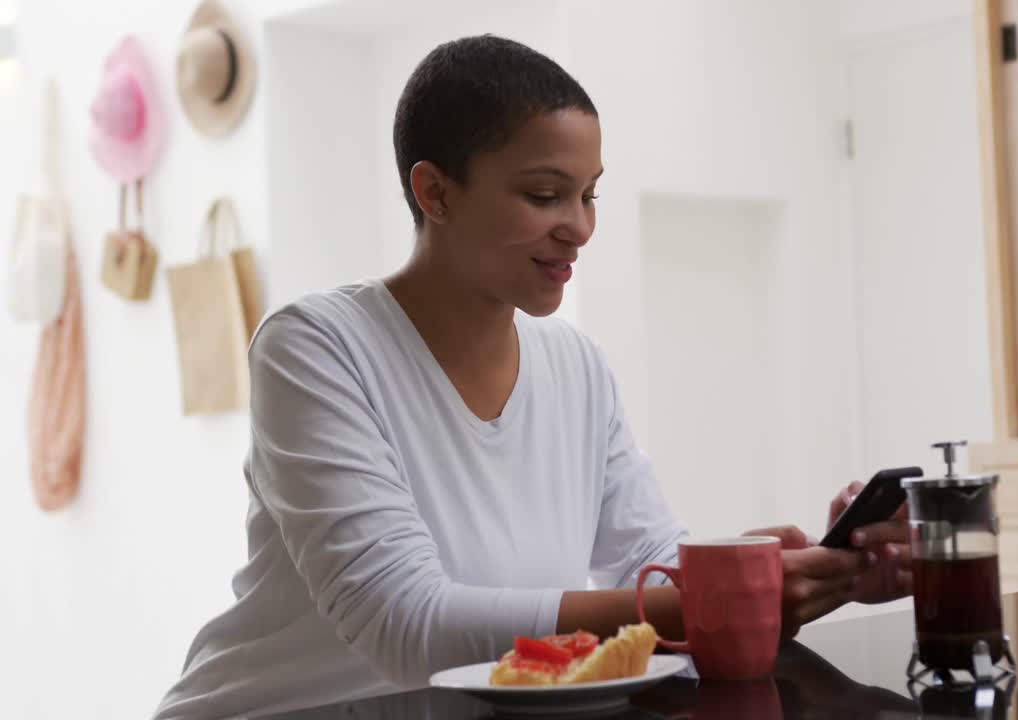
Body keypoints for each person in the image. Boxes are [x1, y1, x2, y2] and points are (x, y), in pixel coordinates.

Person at [153, 35, 911, 720]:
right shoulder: (315, 348)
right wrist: (713, 597)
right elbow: (405, 626)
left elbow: (652, 571)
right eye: (545, 195)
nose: (579, 225)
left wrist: (806, 573)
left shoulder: (574, 367)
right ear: (436, 192)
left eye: (589, 195)